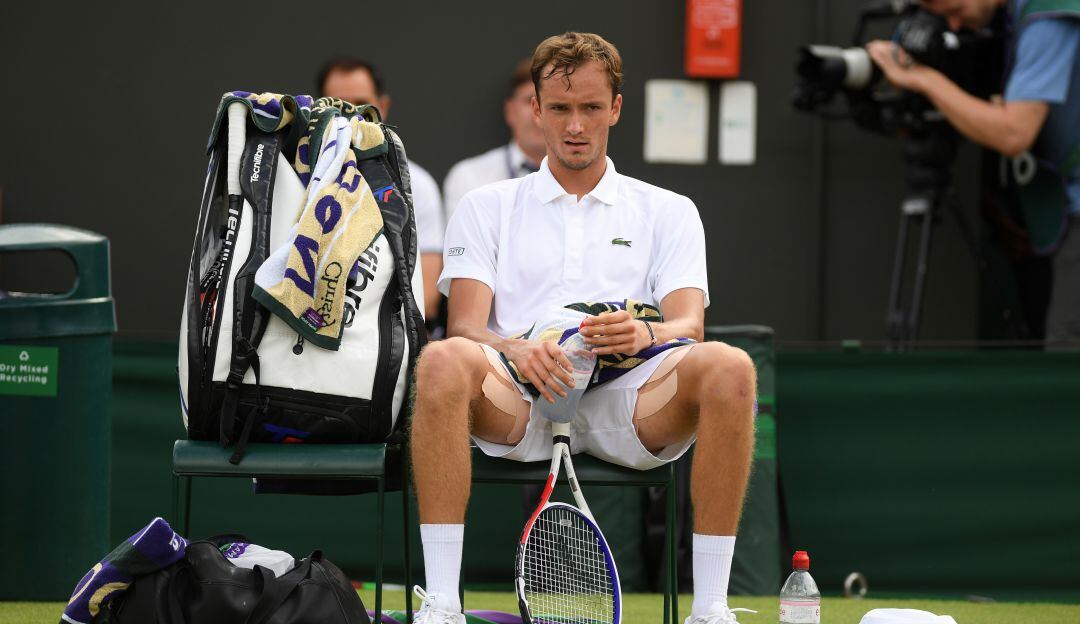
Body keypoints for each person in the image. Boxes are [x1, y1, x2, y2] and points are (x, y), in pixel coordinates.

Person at [409, 32, 756, 624]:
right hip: (519, 401)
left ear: (615, 109)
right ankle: (441, 605)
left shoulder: (670, 210)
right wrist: (516, 350)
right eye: (561, 108)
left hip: (632, 405)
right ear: (535, 109)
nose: (576, 126)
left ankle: (711, 609)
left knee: (731, 367)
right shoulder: (485, 205)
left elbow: (688, 326)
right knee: (441, 359)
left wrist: (644, 335)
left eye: (591, 107)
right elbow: (465, 326)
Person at [867, 0, 1080, 345]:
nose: (953, 26)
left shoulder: (1047, 13)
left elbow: (1014, 133)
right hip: (1067, 201)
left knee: (1067, 357)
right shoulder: (1017, 14)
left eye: (955, 9)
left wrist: (925, 80)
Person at [318, 57, 445, 324]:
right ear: (320, 109)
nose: (352, 117)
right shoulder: (299, 177)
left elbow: (428, 299)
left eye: (362, 105)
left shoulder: (418, 185)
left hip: (388, 329)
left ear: (383, 107)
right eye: (339, 106)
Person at [442, 58, 547, 218]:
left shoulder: (585, 178)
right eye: (529, 101)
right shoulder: (469, 177)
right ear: (510, 111)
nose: (538, 113)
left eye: (550, 104)